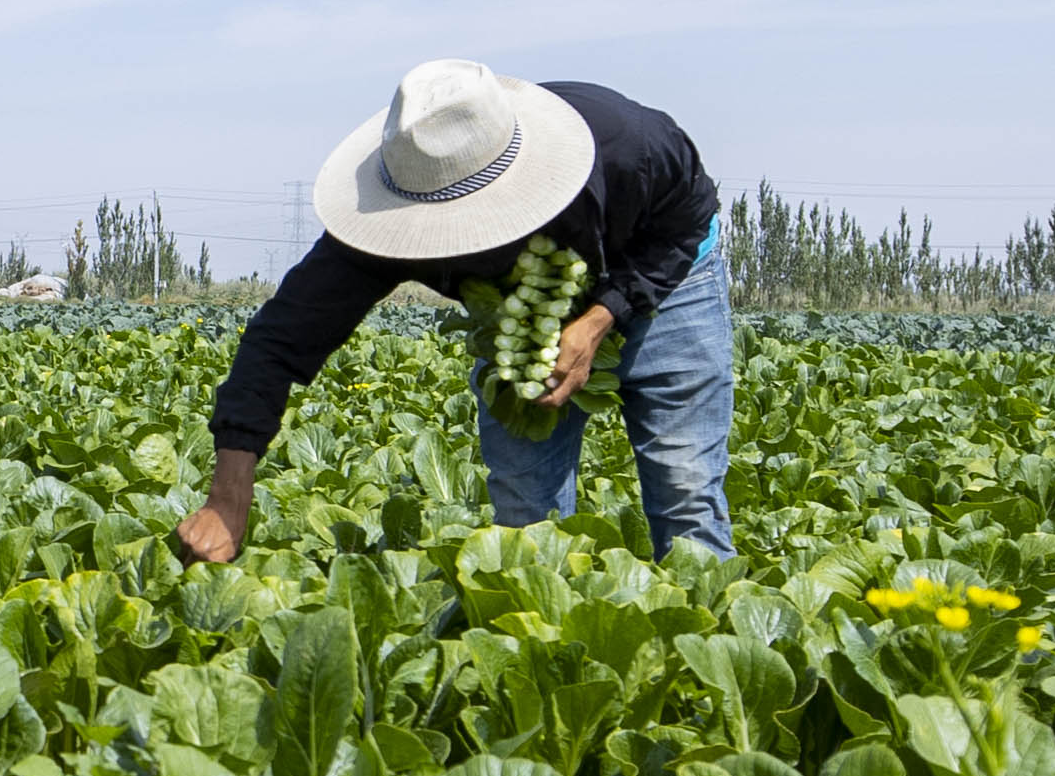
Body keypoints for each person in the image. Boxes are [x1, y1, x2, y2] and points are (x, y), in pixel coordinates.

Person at [178, 57, 732, 563]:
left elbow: (688, 218)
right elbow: (279, 342)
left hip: (668, 283)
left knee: (685, 490)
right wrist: (228, 497)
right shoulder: (385, 219)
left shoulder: (623, 140)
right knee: (523, 508)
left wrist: (599, 318)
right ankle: (539, 645)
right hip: (519, 317)